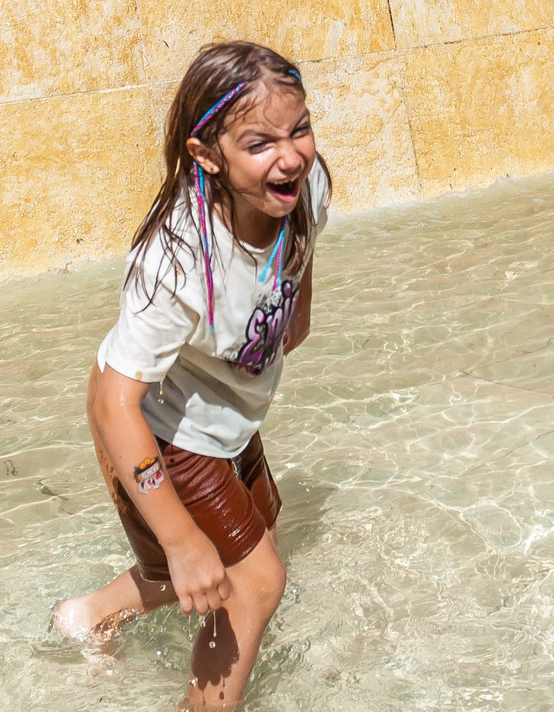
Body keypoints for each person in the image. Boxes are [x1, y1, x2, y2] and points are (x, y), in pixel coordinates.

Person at [53, 42, 332, 707]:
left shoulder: (303, 184)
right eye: (260, 142)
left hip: (222, 415)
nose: (289, 155)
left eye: (299, 129)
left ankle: (88, 616)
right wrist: (179, 540)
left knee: (255, 533)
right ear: (208, 154)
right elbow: (115, 404)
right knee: (254, 580)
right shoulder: (174, 259)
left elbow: (301, 251)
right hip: (155, 429)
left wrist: (292, 308)